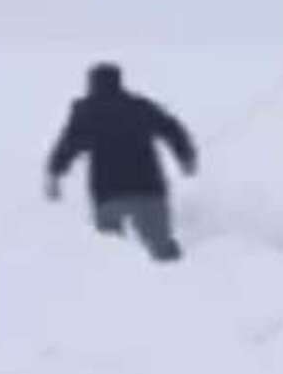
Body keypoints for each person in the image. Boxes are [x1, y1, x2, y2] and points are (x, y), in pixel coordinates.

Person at [45, 62, 197, 262]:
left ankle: (119, 291)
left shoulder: (87, 111)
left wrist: (54, 174)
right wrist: (186, 157)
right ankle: (181, 284)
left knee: (110, 259)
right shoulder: (140, 106)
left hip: (109, 195)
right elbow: (172, 129)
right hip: (149, 190)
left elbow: (68, 145)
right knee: (163, 251)